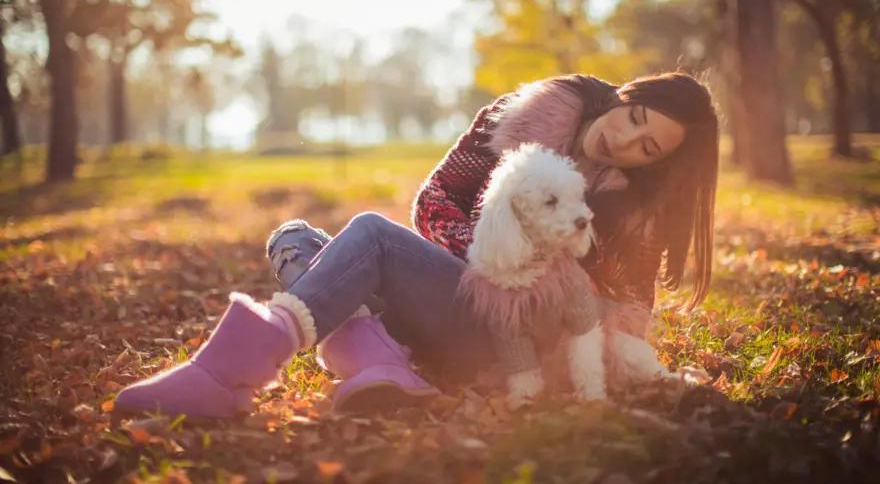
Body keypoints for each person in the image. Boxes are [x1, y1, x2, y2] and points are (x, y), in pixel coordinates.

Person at [113, 72, 720, 419]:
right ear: (628, 95)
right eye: (636, 116)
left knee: (372, 237)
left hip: (509, 334)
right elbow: (433, 202)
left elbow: (627, 309)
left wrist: (540, 273)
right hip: (453, 286)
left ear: (657, 166)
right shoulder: (521, 118)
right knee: (297, 238)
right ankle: (379, 364)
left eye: (649, 149)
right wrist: (480, 257)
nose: (625, 138)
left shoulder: (630, 207)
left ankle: (225, 373)